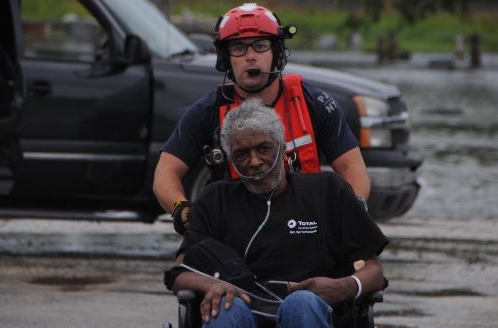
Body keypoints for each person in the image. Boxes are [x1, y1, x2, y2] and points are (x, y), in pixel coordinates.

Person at [165, 99, 388, 327]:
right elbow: (179, 273)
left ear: (282, 147)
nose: (254, 162)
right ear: (231, 160)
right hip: (242, 308)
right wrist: (210, 285)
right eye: (241, 154)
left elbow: (374, 272)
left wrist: (344, 287)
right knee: (226, 305)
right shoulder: (215, 200)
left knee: (300, 303)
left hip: (314, 311)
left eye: (263, 148)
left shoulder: (328, 191)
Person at [154, 3, 370, 234]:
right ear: (226, 59)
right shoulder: (206, 111)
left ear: (276, 53)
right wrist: (181, 208)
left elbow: (352, 168)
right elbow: (166, 173)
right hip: (240, 230)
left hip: (307, 227)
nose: (250, 57)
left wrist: (350, 213)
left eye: (260, 46)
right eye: (239, 48)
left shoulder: (314, 103)